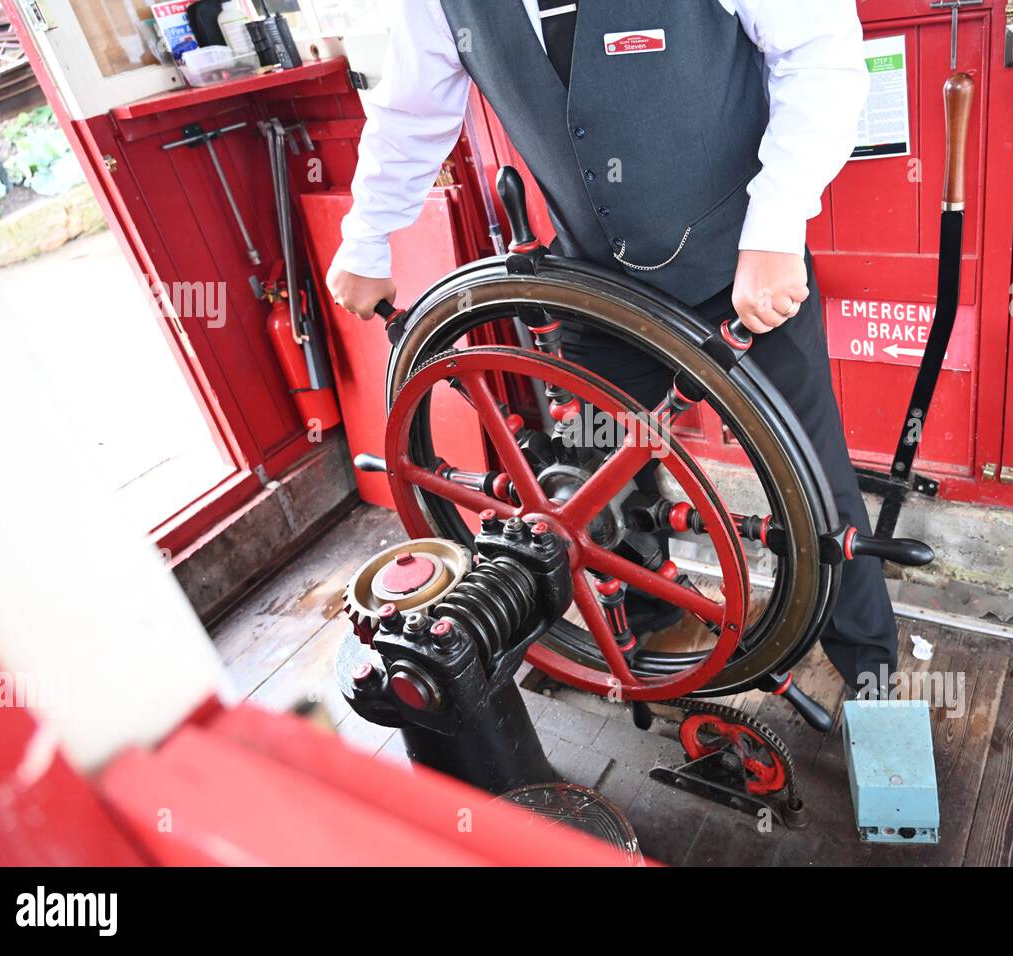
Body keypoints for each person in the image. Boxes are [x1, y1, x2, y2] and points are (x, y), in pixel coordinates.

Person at [327, 0, 897, 692]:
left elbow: (820, 54)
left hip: (738, 269)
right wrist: (365, 238)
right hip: (598, 290)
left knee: (816, 486)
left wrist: (776, 226)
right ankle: (661, 629)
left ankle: (871, 676)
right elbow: (412, 115)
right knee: (602, 474)